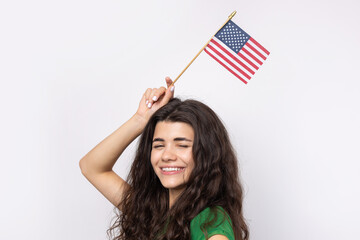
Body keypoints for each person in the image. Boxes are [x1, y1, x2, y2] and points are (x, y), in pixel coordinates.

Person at [79, 77, 249, 240]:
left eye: (182, 145)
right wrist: (139, 120)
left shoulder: (209, 219)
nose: (167, 156)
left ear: (207, 153)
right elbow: (92, 167)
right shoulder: (151, 212)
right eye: (159, 145)